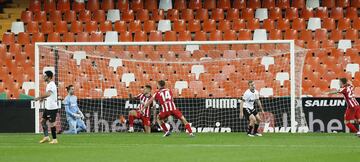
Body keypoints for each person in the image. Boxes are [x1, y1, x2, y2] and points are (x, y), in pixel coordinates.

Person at [35, 71, 59, 144]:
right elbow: (50, 96)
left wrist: (39, 97)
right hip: (48, 107)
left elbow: (48, 94)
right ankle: (46, 137)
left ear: (49, 77)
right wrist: (43, 98)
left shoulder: (52, 84)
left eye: (45, 76)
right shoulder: (48, 84)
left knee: (52, 123)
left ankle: (54, 139)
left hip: (52, 108)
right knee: (42, 121)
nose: (43, 77)